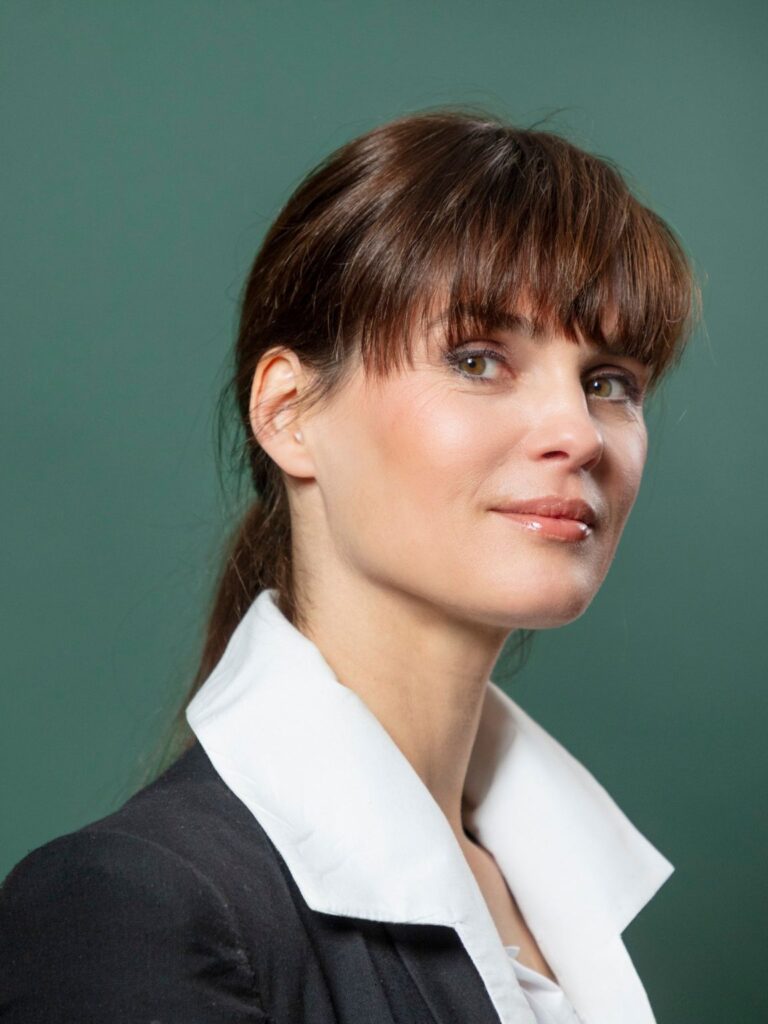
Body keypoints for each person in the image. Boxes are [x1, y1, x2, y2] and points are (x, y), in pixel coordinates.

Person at [0, 108, 698, 1024]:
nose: (578, 433)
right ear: (289, 412)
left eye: (608, 383)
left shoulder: (552, 894)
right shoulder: (131, 908)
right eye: (479, 361)